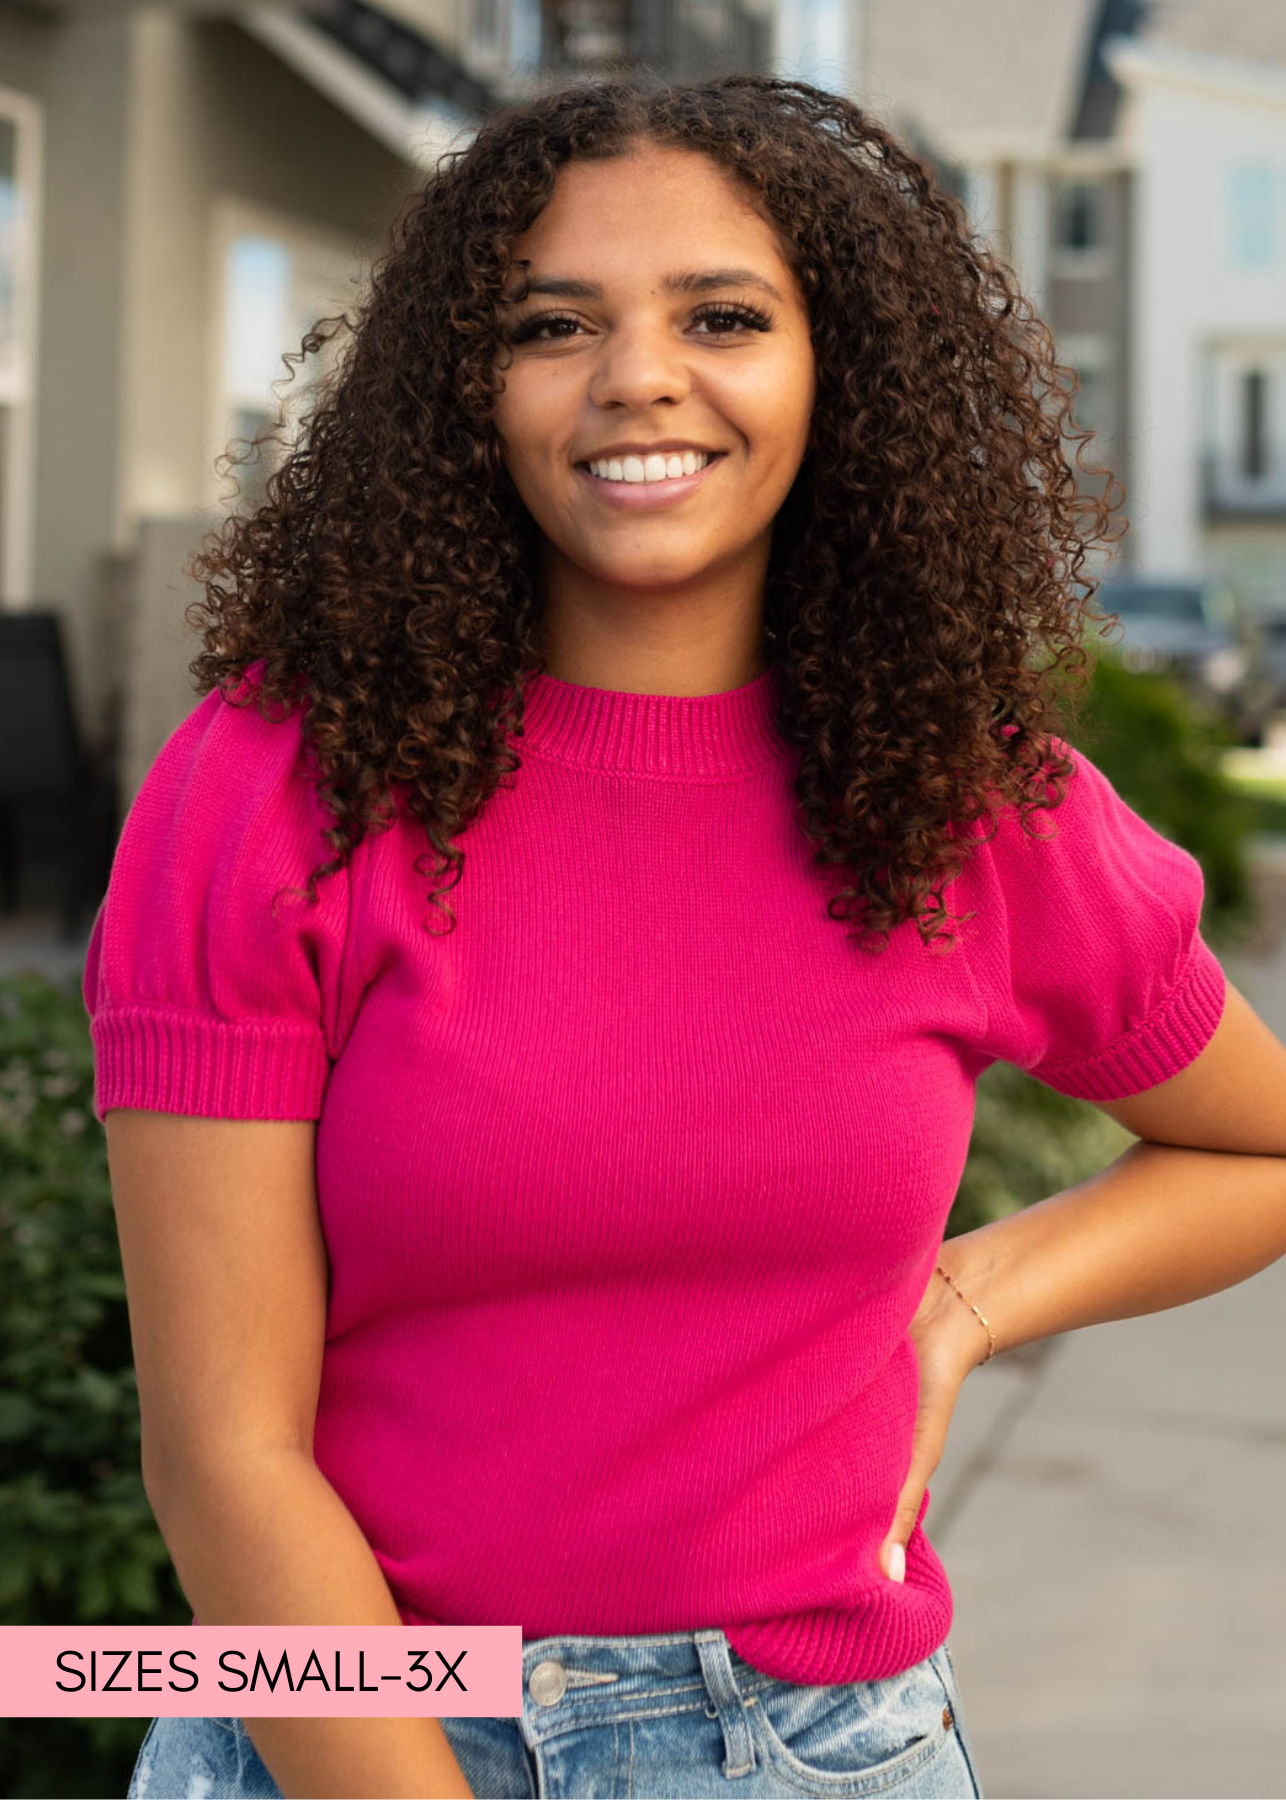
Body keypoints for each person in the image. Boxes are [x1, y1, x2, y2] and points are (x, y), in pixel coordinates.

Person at [85, 72, 1286, 1800]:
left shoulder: (969, 804)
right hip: (342, 1726)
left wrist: (961, 1300)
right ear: (465, 390)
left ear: (836, 375)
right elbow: (224, 1451)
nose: (637, 376)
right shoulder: (280, 788)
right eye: (550, 323)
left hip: (807, 1747)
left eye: (722, 315)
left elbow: (1253, 1142)